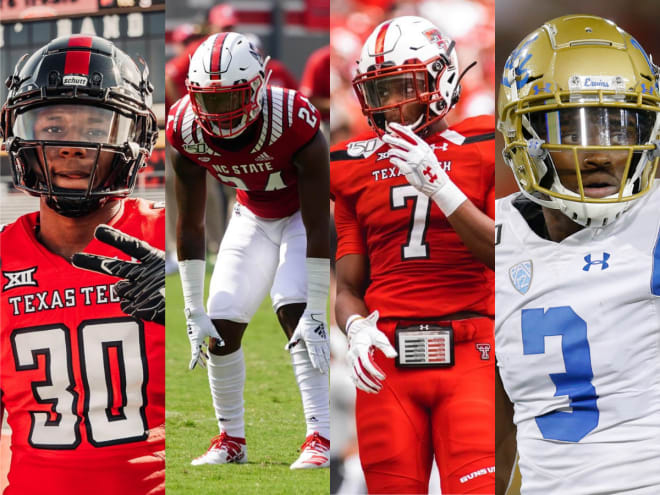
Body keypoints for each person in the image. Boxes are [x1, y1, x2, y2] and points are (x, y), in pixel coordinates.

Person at [495, 14, 660, 495]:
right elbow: (505, 425)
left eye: (620, 125)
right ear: (522, 134)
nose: (602, 153)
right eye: (572, 127)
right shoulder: (494, 234)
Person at [332, 15, 495, 494]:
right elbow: (347, 289)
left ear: (443, 78)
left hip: (471, 350)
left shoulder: (485, 146)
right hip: (387, 361)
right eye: (381, 92)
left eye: (405, 86)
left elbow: (506, 255)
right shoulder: (350, 166)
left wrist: (443, 189)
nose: (394, 106)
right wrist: (356, 328)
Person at [0, 35, 165, 495]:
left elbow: (251, 384)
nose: (72, 146)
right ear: (22, 135)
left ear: (137, 139)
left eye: (95, 130)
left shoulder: (175, 243)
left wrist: (193, 311)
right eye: (53, 128)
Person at [166, 31, 331, 469]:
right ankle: (231, 440)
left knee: (296, 311)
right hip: (251, 217)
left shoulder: (292, 116)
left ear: (258, 87)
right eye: (209, 100)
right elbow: (192, 222)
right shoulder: (184, 126)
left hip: (300, 217)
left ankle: (321, 436)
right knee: (219, 323)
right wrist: (191, 307)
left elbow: (319, 221)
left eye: (229, 99)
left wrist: (318, 303)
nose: (218, 113)